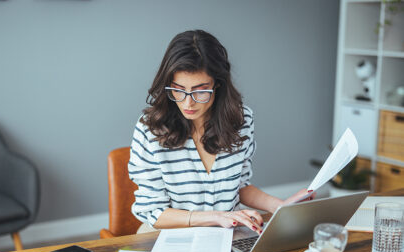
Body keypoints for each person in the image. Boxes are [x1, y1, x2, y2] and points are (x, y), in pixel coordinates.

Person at [129, 30, 313, 234]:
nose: (188, 102)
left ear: (218, 84)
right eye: (178, 89)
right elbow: (153, 211)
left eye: (200, 90)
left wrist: (279, 206)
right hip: (170, 235)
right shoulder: (150, 129)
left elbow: (240, 186)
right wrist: (216, 217)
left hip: (225, 233)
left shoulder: (241, 121)